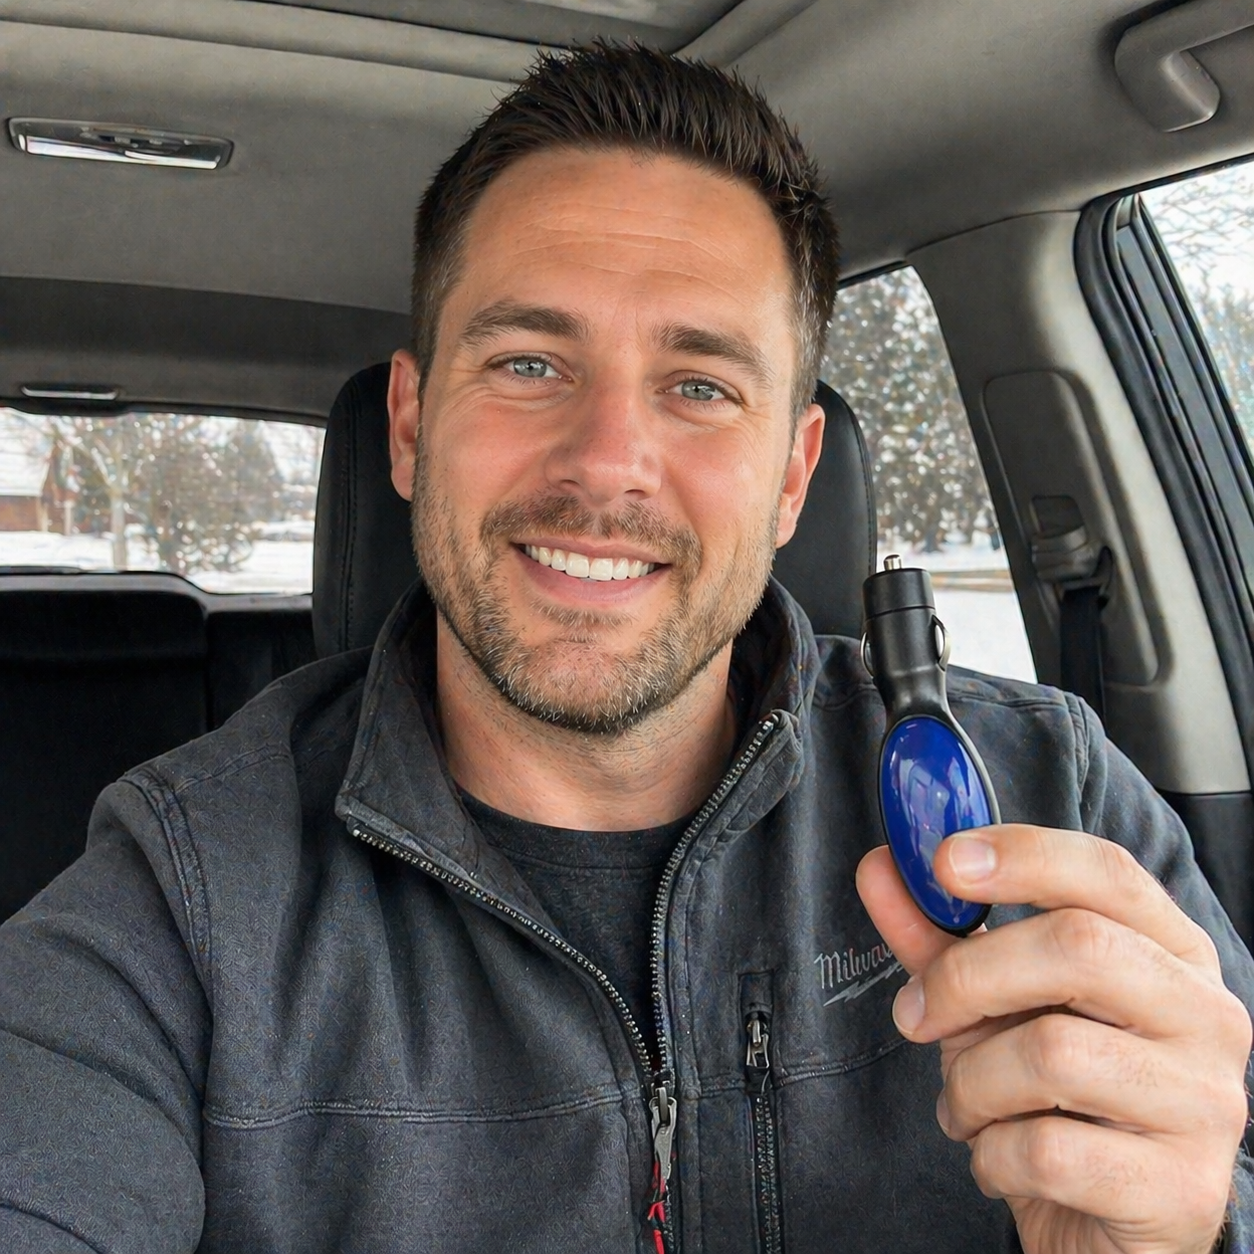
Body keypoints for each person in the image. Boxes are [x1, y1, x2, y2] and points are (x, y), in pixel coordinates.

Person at [1, 42, 1251, 1254]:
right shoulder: (182, 901)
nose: (606, 462)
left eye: (701, 385)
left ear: (793, 475)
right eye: (528, 362)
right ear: (411, 427)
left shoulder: (1048, 809)